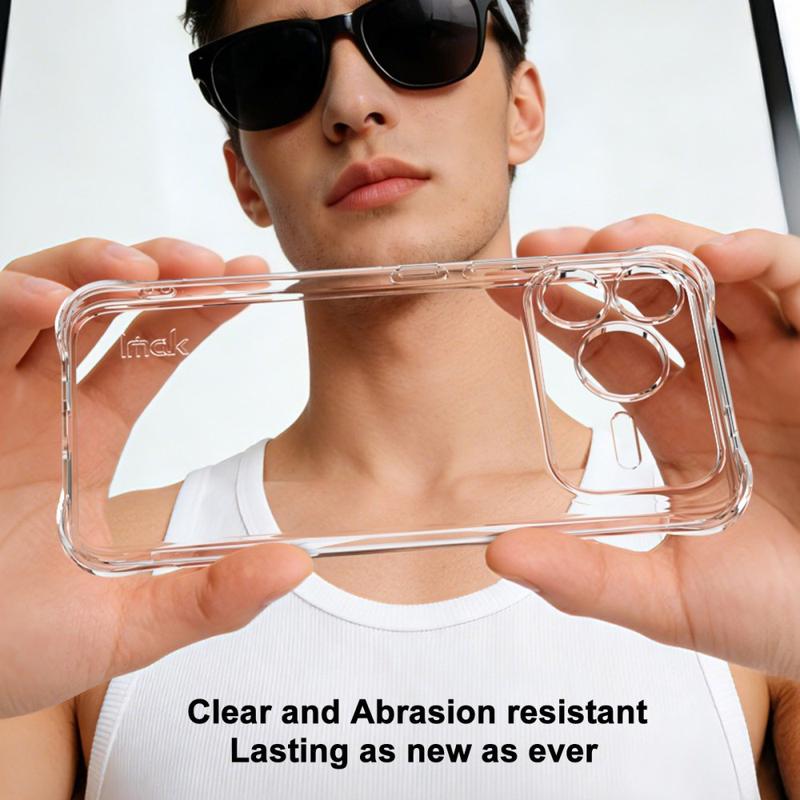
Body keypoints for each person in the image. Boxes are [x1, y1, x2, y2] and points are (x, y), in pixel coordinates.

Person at [0, 0, 798, 796]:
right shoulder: (86, 579)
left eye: (420, 31)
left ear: (521, 110)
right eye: (276, 69)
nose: (351, 106)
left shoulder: (747, 545)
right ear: (244, 176)